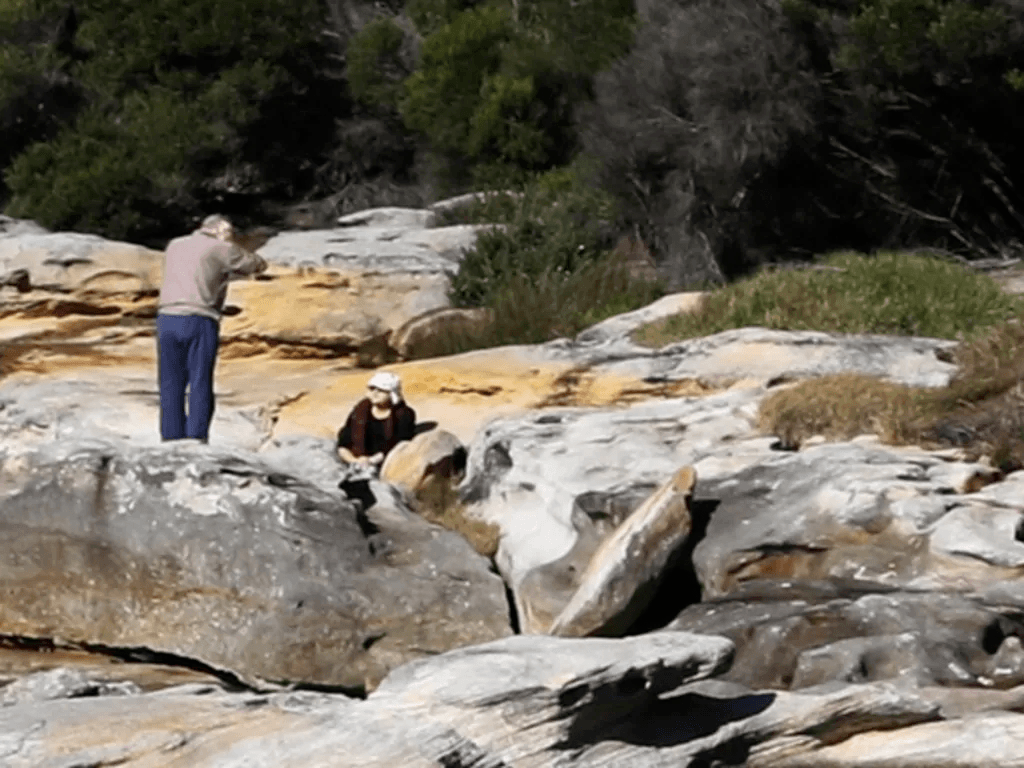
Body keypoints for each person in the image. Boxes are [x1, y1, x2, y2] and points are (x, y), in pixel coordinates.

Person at [157, 214, 267, 442]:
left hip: (166, 317)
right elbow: (256, 265)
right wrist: (229, 243)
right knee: (199, 380)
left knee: (170, 383)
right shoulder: (221, 248)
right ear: (221, 230)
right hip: (199, 318)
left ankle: (171, 437)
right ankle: (196, 436)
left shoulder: (174, 245)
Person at [336, 371, 416, 474]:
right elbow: (344, 440)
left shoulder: (404, 415)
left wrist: (371, 461)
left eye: (381, 390)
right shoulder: (359, 411)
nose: (375, 393)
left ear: (392, 393)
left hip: (388, 464)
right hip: (355, 461)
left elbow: (398, 444)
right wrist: (354, 461)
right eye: (372, 388)